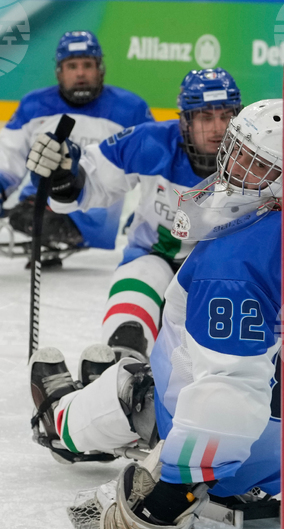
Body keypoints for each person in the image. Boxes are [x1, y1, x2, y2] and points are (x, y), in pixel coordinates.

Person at [27, 99, 284, 529]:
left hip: (230, 445)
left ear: (283, 177)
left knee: (132, 389)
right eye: (236, 150)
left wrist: (175, 492)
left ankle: (61, 422)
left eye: (253, 164)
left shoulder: (233, 264)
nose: (232, 168)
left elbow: (228, 395)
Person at [26, 69, 242, 362]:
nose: (218, 129)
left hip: (225, 271)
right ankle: (122, 362)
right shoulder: (151, 142)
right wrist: (66, 174)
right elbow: (92, 178)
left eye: (226, 116)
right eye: (205, 118)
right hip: (155, 257)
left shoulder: (258, 156)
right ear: (185, 122)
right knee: (138, 284)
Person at [0, 31, 153, 263]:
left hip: (94, 211)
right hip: (38, 201)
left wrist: (148, 210)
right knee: (14, 211)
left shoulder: (131, 109)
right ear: (59, 71)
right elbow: (10, 152)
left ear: (100, 69)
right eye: (72, 66)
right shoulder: (34, 105)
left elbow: (154, 164)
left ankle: (68, 228)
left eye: (87, 65)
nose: (80, 73)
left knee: (24, 215)